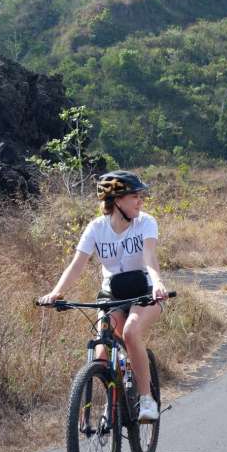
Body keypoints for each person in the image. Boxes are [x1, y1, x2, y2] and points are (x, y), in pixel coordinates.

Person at [38, 170, 169, 422]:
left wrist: (158, 284)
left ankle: (146, 399)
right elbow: (77, 265)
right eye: (135, 196)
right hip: (112, 294)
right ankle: (113, 402)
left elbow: (149, 257)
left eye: (141, 196)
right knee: (101, 350)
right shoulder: (96, 228)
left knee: (130, 333)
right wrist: (56, 293)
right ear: (117, 200)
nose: (140, 201)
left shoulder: (146, 222)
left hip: (145, 291)